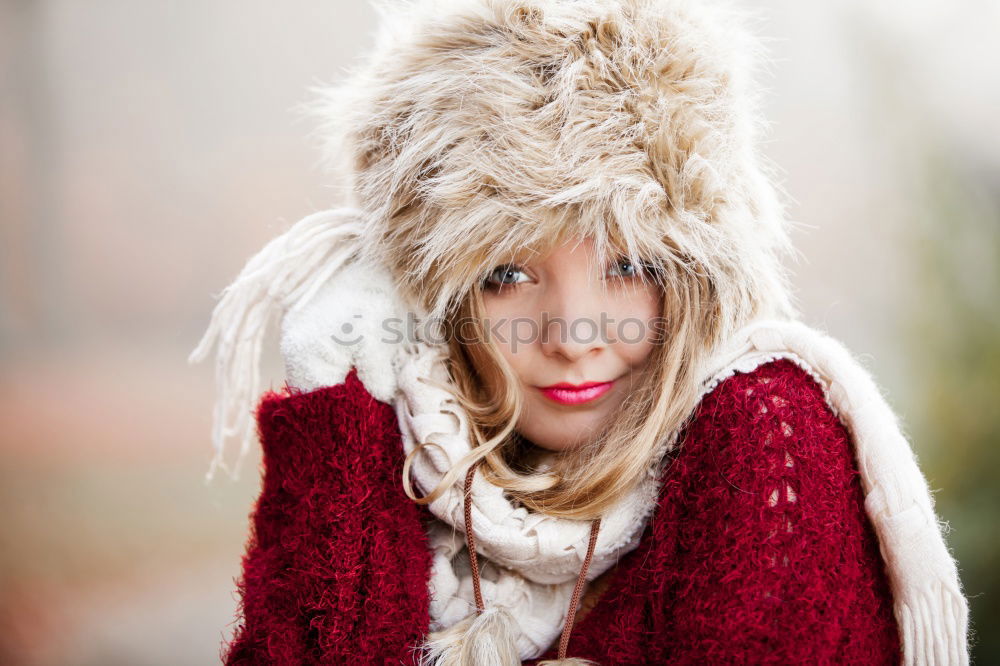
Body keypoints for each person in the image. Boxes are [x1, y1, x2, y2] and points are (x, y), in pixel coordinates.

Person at [190, 0, 970, 663]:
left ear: (694, 275)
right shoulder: (412, 443)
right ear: (436, 294)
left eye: (626, 264)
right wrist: (345, 403)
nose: (570, 333)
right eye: (504, 274)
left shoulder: (762, 425)